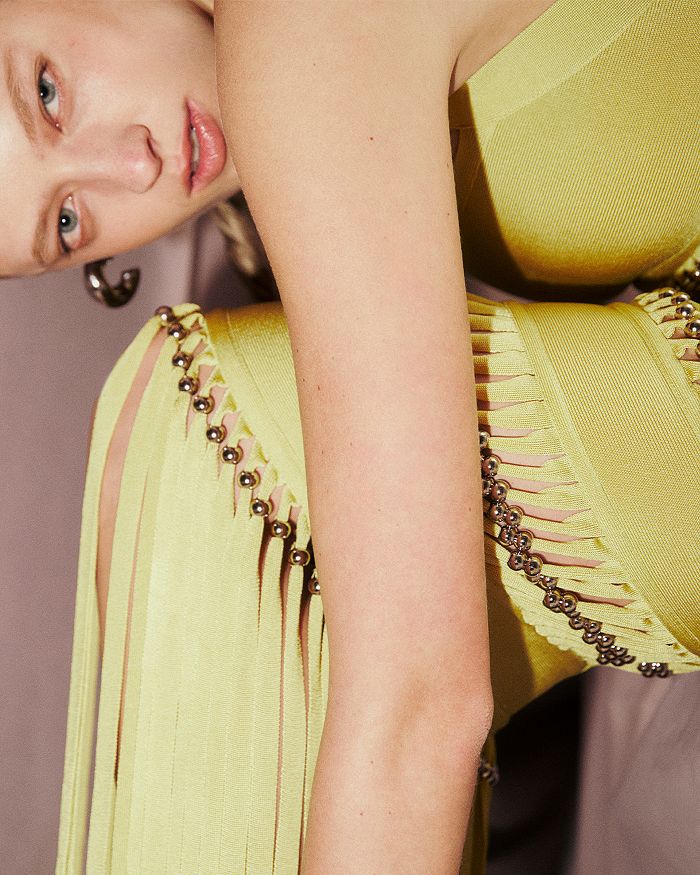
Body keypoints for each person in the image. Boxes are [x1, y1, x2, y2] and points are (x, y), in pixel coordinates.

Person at [1, 1, 697, 873]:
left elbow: (421, 702)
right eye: (67, 221)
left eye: (48, 92)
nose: (133, 165)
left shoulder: (298, 30)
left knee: (182, 431)